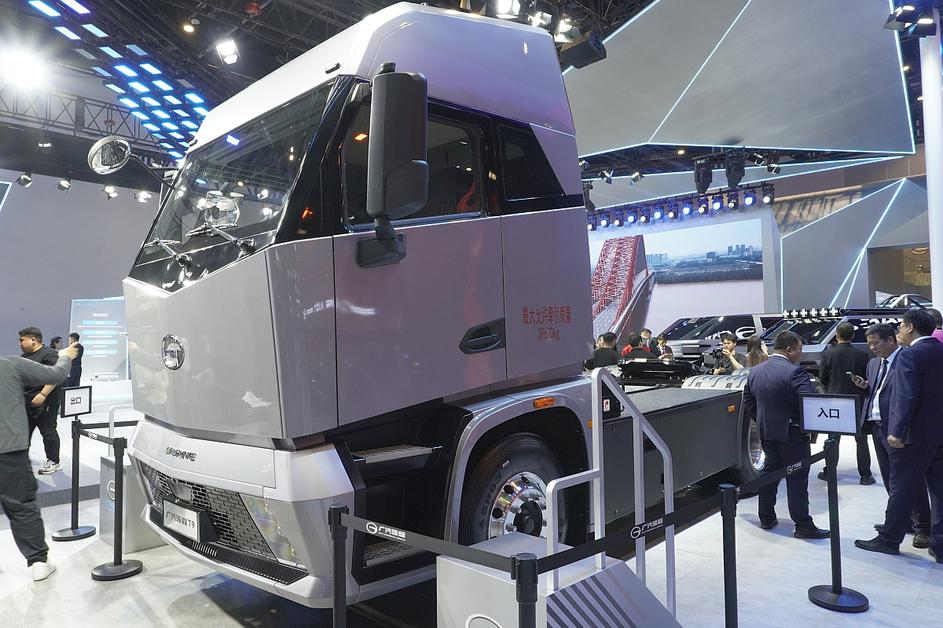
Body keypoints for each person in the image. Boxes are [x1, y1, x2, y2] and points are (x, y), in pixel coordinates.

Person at [855, 309, 943, 562]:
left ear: (910, 327)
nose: (899, 330)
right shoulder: (939, 350)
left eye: (901, 326)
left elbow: (906, 396)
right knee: (939, 491)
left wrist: (897, 431)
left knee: (901, 487)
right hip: (937, 434)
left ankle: (889, 539)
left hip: (913, 436)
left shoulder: (910, 355)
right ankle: (940, 545)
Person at [1, 342, 77, 580]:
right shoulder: (10, 364)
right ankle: (39, 561)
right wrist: (66, 356)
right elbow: (56, 374)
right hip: (9, 451)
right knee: (22, 506)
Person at [743, 331, 829, 539]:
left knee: (770, 474)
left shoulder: (755, 371)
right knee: (797, 479)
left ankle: (766, 517)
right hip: (792, 434)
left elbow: (748, 399)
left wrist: (762, 419)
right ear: (789, 350)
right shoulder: (795, 372)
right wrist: (808, 428)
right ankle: (803, 525)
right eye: (800, 348)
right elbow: (808, 403)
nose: (801, 353)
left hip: (767, 432)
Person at [817, 322, 874, 485]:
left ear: (836, 336)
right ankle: (865, 475)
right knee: (861, 440)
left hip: (835, 401)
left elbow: (822, 378)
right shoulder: (862, 355)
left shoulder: (828, 354)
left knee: (833, 439)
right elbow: (866, 379)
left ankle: (830, 472)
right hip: (857, 402)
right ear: (853, 336)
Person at [19, 327, 63, 475]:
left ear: (33, 339)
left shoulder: (49, 354)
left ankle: (54, 461)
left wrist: (43, 394)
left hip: (46, 403)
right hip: (27, 403)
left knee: (48, 432)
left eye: (22, 340)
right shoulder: (24, 356)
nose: (19, 343)